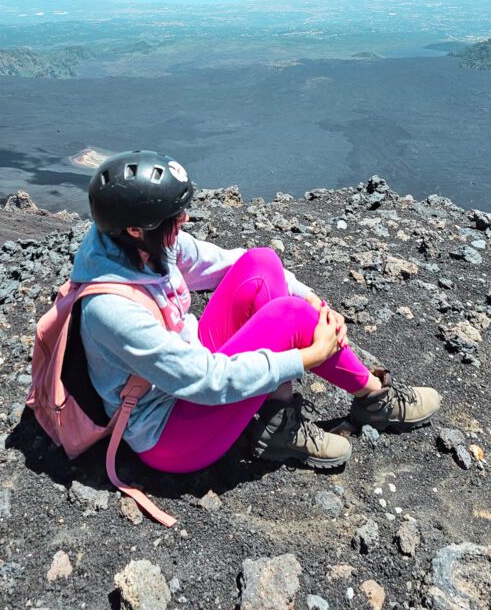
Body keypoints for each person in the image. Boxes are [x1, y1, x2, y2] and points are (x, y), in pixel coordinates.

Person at [73, 149, 441, 475]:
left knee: (261, 263)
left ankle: (277, 420)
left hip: (188, 375)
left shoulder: (139, 242)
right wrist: (304, 358)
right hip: (169, 435)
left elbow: (230, 265)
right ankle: (375, 400)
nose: (184, 219)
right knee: (291, 320)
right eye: (175, 215)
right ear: (136, 229)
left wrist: (315, 302)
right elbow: (204, 381)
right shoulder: (112, 310)